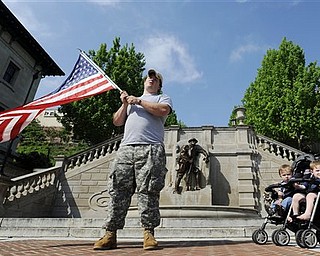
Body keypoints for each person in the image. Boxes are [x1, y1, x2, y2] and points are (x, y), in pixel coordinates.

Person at [93, 69, 173, 251]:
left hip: (151, 148)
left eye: (155, 79)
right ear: (144, 82)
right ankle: (110, 234)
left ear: (159, 85)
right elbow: (117, 121)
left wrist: (139, 101)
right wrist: (124, 104)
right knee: (118, 192)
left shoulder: (162, 98)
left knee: (149, 191)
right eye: (149, 77)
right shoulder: (130, 103)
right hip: (126, 149)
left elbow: (162, 111)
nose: (151, 80)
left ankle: (148, 234)